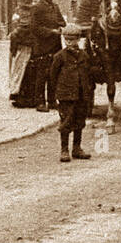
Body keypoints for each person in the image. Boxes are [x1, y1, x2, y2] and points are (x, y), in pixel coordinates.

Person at [49, 26, 94, 163]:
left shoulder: (84, 56)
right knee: (66, 121)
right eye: (66, 39)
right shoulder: (59, 57)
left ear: (78, 40)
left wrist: (87, 90)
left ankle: (77, 148)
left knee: (80, 120)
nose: (69, 42)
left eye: (72, 40)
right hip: (66, 95)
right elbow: (53, 76)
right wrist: (56, 95)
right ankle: (64, 150)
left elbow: (88, 74)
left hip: (81, 94)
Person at [26, 0, 67, 112]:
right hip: (42, 45)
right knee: (41, 75)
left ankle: (52, 100)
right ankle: (40, 102)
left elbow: (62, 21)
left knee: (53, 74)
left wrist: (60, 27)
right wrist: (50, 31)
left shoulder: (55, 7)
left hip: (55, 45)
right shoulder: (37, 7)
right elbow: (33, 27)